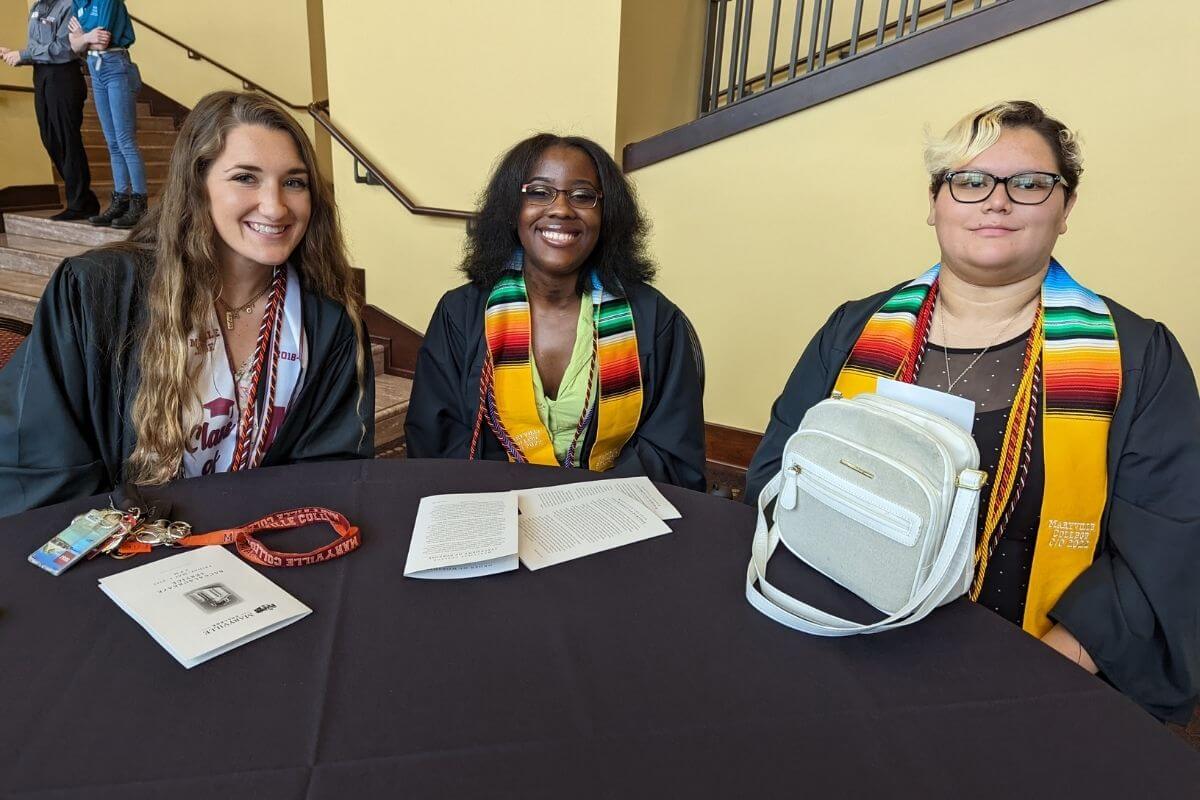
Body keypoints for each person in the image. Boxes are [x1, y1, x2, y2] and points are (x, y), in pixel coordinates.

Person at [745, 101, 1199, 723]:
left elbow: (1170, 541)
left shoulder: (1138, 358)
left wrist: (1033, 680)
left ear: (1066, 209)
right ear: (934, 204)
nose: (998, 201)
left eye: (1031, 184)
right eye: (970, 180)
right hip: (842, 639)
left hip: (1032, 677)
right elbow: (776, 471)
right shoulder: (854, 332)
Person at [0, 91, 374, 517]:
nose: (275, 206)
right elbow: (39, 465)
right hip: (120, 556)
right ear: (197, 185)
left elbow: (331, 470)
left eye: (294, 182)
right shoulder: (97, 292)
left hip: (262, 548)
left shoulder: (327, 323)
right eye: (245, 178)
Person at [405, 134, 706, 490]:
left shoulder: (653, 320)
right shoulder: (461, 314)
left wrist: (583, 505)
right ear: (511, 208)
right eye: (539, 192)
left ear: (606, 214)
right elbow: (435, 442)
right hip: (494, 507)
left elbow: (672, 452)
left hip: (612, 511)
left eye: (582, 196)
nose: (562, 209)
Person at [0, 0, 99, 220]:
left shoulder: (69, 6)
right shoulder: (36, 9)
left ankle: (79, 202)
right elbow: (37, 46)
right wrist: (14, 55)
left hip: (64, 76)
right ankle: (84, 198)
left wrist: (24, 55)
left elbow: (65, 48)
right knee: (50, 139)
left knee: (67, 138)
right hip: (41, 75)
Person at [67, 0, 148, 229]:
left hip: (115, 65)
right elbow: (74, 47)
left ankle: (139, 204)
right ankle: (120, 200)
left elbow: (101, 41)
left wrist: (83, 36)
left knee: (125, 140)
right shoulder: (77, 3)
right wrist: (85, 37)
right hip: (95, 69)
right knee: (112, 142)